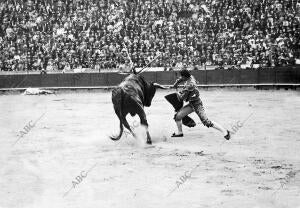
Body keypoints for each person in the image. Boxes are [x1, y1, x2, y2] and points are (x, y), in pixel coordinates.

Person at [170, 69, 231, 140]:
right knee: (177, 116)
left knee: (206, 122)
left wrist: (177, 92)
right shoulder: (190, 77)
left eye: (182, 77)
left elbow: (181, 98)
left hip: (197, 104)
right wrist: (176, 83)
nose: (182, 78)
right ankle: (180, 133)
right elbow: (181, 79)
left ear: (185, 77)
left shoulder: (190, 85)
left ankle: (225, 131)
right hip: (191, 104)